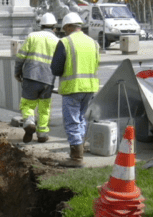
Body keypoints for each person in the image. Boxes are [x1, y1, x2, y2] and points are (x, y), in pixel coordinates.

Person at [50, 12, 100, 168]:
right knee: (81, 119)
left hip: (73, 88)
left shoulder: (65, 42)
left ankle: (76, 157)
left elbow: (56, 69)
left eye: (65, 29)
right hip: (90, 88)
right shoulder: (93, 43)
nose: (64, 32)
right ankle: (80, 148)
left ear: (68, 27)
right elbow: (96, 64)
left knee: (72, 121)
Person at [14, 13, 59, 143]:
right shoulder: (57, 41)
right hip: (48, 80)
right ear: (54, 27)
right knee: (45, 108)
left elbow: (20, 57)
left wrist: (17, 72)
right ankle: (42, 134)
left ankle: (29, 122)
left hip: (31, 76)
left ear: (41, 25)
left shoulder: (32, 36)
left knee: (27, 104)